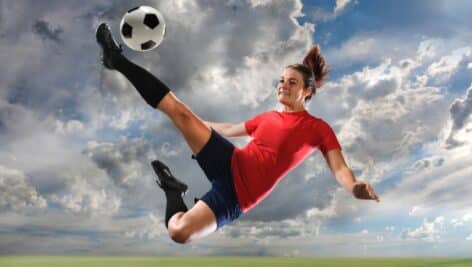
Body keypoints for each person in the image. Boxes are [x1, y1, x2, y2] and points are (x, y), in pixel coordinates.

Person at [96, 23, 379, 244]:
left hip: (238, 195)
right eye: (281, 80)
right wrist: (190, 121)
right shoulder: (267, 117)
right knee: (178, 110)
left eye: (291, 82)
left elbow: (340, 168)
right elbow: (229, 130)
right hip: (230, 161)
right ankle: (116, 59)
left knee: (179, 233)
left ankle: (174, 191)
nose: (283, 85)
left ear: (307, 91)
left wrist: (354, 188)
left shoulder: (318, 128)